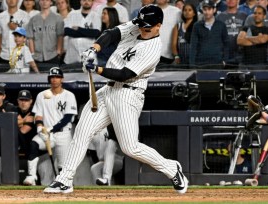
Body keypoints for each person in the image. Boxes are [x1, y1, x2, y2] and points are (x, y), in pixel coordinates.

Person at [43, 4, 188, 194]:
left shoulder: (153, 49)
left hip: (128, 94)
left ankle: (171, 169)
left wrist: (97, 69)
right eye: (141, 23)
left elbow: (125, 74)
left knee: (130, 147)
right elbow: (112, 33)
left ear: (158, 25)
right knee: (82, 131)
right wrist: (93, 49)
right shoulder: (137, 25)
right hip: (108, 91)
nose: (142, 28)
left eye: (147, 26)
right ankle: (65, 179)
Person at [23, 67, 78, 186]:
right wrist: (39, 126)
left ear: (62, 79)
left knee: (63, 167)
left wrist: (51, 128)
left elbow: (68, 118)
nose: (54, 80)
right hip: (46, 134)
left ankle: (65, 186)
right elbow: (38, 115)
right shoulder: (41, 95)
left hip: (63, 134)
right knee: (34, 144)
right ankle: (32, 176)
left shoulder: (69, 95)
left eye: (57, 77)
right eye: (52, 77)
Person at [189, 0, 229, 68]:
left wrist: (225, 60)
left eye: (209, 9)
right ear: (202, 10)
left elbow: (226, 43)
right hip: (200, 63)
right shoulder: (197, 25)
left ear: (214, 10)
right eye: (205, 9)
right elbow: (193, 46)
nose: (207, 12)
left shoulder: (221, 25)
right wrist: (192, 65)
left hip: (217, 63)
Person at [27, 0, 64, 65]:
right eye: (42, 0)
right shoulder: (33, 19)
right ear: (39, 2)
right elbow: (30, 38)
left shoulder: (57, 18)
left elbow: (60, 36)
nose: (44, 2)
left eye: (47, 0)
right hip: (37, 56)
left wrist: (58, 51)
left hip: (53, 55)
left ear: (51, 2)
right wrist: (32, 53)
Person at [63, 0, 101, 65]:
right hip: (72, 55)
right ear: (80, 1)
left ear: (92, 2)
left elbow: (95, 33)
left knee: (89, 74)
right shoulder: (72, 14)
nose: (86, 2)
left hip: (89, 55)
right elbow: (67, 31)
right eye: (84, 0)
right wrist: (88, 33)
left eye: (89, 0)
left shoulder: (96, 15)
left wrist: (78, 29)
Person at [0, 0, 29, 64]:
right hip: (4, 56)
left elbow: (29, 35)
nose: (11, 1)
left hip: (20, 55)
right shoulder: (0, 16)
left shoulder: (25, 15)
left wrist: (16, 28)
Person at [216, 0, 248, 67]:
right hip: (224, 56)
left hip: (241, 56)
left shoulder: (245, 16)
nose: (231, 0)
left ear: (238, 0)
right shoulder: (219, 17)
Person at [237, 5, 268, 69]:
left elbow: (262, 40)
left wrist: (246, 37)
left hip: (261, 64)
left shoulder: (266, 29)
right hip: (245, 63)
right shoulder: (246, 28)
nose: (256, 15)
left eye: (259, 13)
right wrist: (257, 39)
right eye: (255, 13)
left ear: (264, 16)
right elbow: (239, 41)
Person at [156, 0, 181, 65]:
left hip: (168, 55)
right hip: (150, 54)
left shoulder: (176, 12)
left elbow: (181, 32)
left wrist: (176, 55)